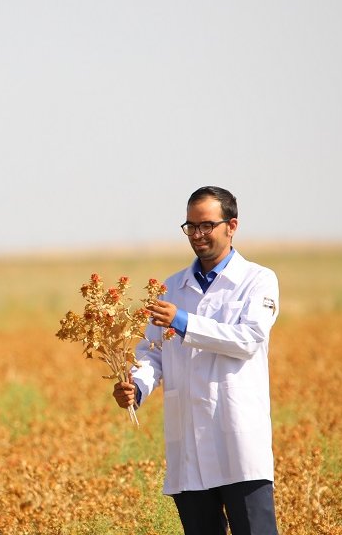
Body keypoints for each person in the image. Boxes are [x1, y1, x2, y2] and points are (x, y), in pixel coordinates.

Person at [113, 186, 281, 535]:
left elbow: (249, 338)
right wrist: (137, 386)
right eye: (191, 226)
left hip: (238, 441)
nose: (197, 234)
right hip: (189, 443)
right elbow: (152, 351)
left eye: (207, 225)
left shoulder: (258, 280)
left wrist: (183, 321)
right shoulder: (172, 287)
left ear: (231, 226)